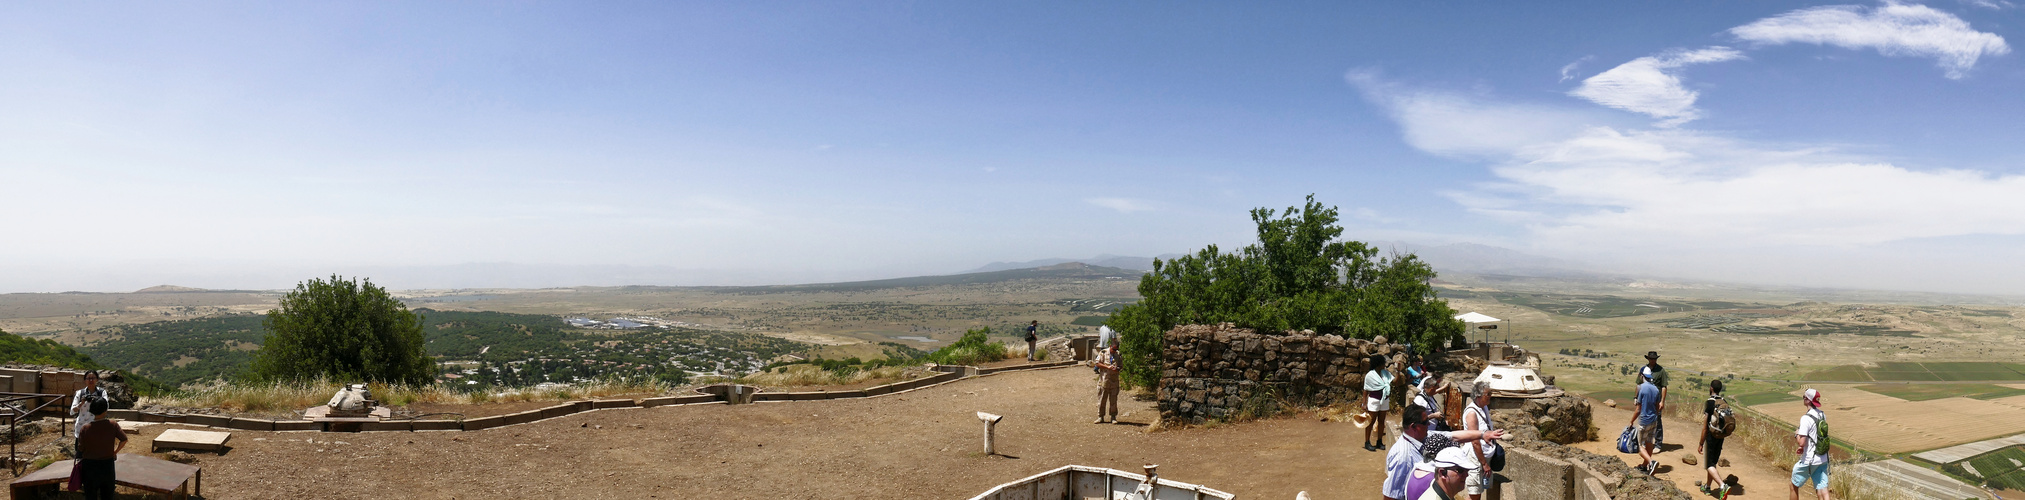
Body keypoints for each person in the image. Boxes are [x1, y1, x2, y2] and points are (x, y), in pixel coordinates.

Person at [1384, 404, 1504, 500]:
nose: (1429, 425)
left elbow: (1453, 435)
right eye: (1426, 422)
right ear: (1414, 427)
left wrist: (1483, 434)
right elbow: (1390, 495)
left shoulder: (1423, 437)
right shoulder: (1403, 456)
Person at [76, 398, 127, 500]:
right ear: (105, 410)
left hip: (89, 466)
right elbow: (124, 439)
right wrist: (114, 452)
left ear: (92, 410)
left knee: (90, 495)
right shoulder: (113, 424)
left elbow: (81, 448)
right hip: (107, 465)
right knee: (107, 495)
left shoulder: (85, 428)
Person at [1462, 381, 1503, 500]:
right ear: (1478, 396)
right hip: (1475, 458)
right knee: (1474, 494)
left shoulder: (1483, 407)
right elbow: (1474, 440)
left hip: (1483, 455)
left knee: (1478, 491)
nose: (1491, 396)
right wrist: (1484, 464)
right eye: (1488, 394)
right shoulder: (1471, 413)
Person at [1790, 389, 1831, 500]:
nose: (1803, 398)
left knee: (1794, 485)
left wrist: (1797, 434)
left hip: (1810, 460)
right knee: (1822, 490)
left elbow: (1802, 442)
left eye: (1804, 397)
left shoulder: (1806, 418)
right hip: (1823, 458)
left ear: (1807, 400)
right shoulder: (1822, 415)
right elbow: (1816, 435)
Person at [1699, 379, 1731, 498]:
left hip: (1711, 437)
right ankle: (1707, 487)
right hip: (1720, 436)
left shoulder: (1710, 402)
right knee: (1712, 463)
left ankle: (1723, 486)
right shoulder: (1724, 401)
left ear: (1711, 388)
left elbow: (1704, 426)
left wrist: (1701, 442)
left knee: (1709, 464)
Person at [1417, 446, 1481, 500]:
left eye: (1467, 470)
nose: (1466, 475)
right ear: (1442, 473)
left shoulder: (1441, 489)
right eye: (1460, 470)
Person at [1630, 370, 1662, 475]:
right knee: (1649, 443)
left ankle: (1651, 462)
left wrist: (1631, 421)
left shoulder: (1641, 388)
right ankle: (1644, 466)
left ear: (1642, 376)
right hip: (1654, 420)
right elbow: (1658, 407)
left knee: (1638, 446)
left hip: (1644, 421)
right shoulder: (1656, 389)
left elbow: (1638, 409)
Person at [1363, 354, 1394, 451]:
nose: (1385, 365)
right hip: (1374, 400)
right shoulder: (1370, 375)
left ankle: (1379, 441)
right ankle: (1367, 442)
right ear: (1379, 364)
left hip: (1384, 399)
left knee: (1381, 421)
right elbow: (1366, 389)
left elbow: (1395, 382)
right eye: (1383, 363)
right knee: (1371, 421)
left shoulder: (1386, 373)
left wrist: (1399, 371)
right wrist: (1364, 403)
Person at [70, 371, 107, 451]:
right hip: (81, 428)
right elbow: (72, 411)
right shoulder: (80, 393)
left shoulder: (102, 393)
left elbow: (106, 407)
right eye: (88, 378)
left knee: (96, 452)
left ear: (97, 379)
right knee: (80, 453)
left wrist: (96, 400)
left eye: (93, 378)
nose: (91, 380)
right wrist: (81, 403)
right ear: (85, 380)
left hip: (97, 428)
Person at [1639, 351, 1669, 445]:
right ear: (1648, 359)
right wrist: (1636, 397)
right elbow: (1638, 384)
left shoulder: (1661, 370)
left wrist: (1662, 401)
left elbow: (1664, 386)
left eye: (1654, 359)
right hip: (1645, 399)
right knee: (1644, 419)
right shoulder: (1643, 369)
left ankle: (1658, 443)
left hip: (1656, 400)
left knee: (1657, 420)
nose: (1653, 360)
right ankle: (1645, 441)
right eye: (1651, 358)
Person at [1093, 344, 1121, 424]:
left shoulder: (1118, 354)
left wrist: (1117, 369)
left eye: (1116, 349)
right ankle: (1100, 417)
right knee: (1102, 399)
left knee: (1113, 400)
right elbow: (1097, 363)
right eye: (1113, 349)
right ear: (1110, 347)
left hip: (1114, 381)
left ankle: (1113, 417)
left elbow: (1121, 366)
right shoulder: (1103, 352)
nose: (1114, 351)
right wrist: (1107, 367)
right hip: (1104, 380)